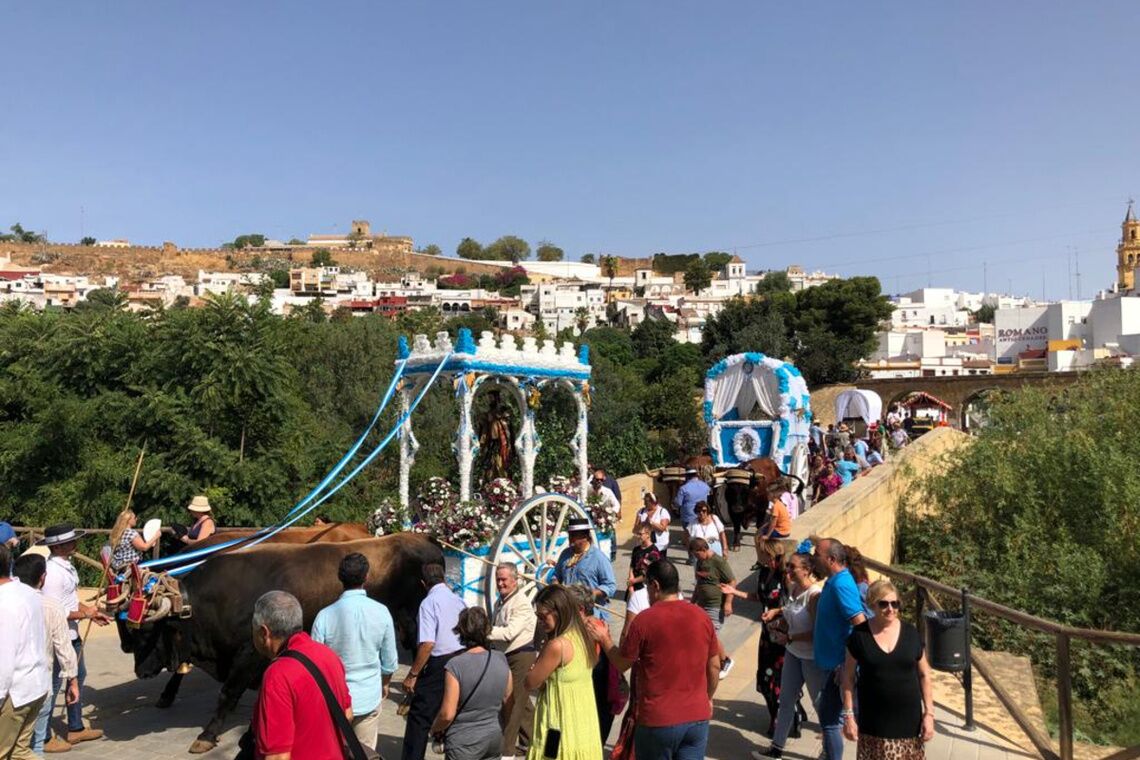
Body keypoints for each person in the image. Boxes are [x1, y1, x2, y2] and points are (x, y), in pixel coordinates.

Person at [589, 560, 720, 760]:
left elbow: (622, 663)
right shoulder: (701, 616)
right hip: (697, 718)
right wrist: (708, 698)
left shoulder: (644, 620)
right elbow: (714, 665)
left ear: (655, 586)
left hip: (658, 720)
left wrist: (604, 638)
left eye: (648, 586)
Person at [731, 551, 823, 759]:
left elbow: (817, 632)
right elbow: (790, 611)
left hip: (809, 658)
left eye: (793, 566)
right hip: (792, 654)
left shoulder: (815, 596)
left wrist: (790, 637)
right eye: (788, 565)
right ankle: (776, 750)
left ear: (807, 570)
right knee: (785, 702)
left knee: (820, 705)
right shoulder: (793, 589)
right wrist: (778, 617)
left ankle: (830, 749)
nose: (788, 569)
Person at [249, 590, 355, 760]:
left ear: (264, 632)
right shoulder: (328, 655)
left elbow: (278, 757)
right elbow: (348, 714)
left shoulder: (277, 675)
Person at [311, 552, 399, 752]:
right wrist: (385, 684)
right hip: (368, 696)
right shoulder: (382, 611)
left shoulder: (324, 616)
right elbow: (389, 659)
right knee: (365, 752)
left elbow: (315, 664)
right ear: (366, 577)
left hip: (334, 700)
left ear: (340, 577)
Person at [842, 580, 935, 760]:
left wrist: (929, 714)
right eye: (884, 604)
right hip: (873, 725)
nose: (890, 609)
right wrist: (848, 716)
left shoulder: (911, 633)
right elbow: (848, 677)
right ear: (872, 605)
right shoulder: (859, 635)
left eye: (895, 603)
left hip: (908, 724)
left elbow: (924, 675)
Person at [39, 524, 107, 748]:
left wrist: (89, 612)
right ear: (58, 546)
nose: (74, 544)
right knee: (54, 684)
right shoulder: (53, 574)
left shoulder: (66, 567)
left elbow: (69, 601)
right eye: (69, 542)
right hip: (59, 636)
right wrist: (84, 613)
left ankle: (75, 727)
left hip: (72, 633)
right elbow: (55, 610)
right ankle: (44, 736)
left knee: (78, 676)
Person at [12, 554, 79, 757]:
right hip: (40, 685)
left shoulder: (7, 601)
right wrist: (73, 680)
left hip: (11, 686)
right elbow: (64, 647)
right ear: (43, 577)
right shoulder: (51, 606)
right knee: (36, 744)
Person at [524, 585, 602, 760]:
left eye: (543, 616)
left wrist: (535, 668)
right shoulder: (583, 636)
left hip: (556, 725)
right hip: (583, 724)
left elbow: (530, 682)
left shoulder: (557, 645)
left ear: (559, 612)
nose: (540, 621)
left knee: (551, 756)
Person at [402, 563, 467, 760]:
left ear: (424, 584)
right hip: (462, 656)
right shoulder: (459, 600)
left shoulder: (428, 603)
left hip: (441, 662)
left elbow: (428, 643)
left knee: (419, 717)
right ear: (444, 578)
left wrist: (413, 674)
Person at [431, 607, 512, 760]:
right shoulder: (501, 659)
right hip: (494, 737)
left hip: (464, 742)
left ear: (461, 631)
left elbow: (447, 714)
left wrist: (434, 728)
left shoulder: (455, 665)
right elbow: (509, 700)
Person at [813, 538, 868, 760]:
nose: (814, 558)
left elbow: (860, 624)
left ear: (831, 559)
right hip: (832, 663)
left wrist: (847, 665)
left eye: (817, 554)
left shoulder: (842, 584)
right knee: (829, 717)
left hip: (838, 666)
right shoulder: (833, 581)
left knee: (828, 720)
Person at [0, 542, 51, 760]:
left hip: (15, 693)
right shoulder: (28, 592)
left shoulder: (3, 602)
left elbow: (4, 656)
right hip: (36, 685)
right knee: (20, 752)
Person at [487, 563, 537, 760]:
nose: (500, 583)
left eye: (504, 580)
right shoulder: (501, 601)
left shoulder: (521, 603)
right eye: (498, 579)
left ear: (515, 581)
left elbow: (508, 633)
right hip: (505, 655)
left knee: (512, 703)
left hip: (520, 656)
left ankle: (506, 752)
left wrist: (483, 630)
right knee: (523, 703)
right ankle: (534, 741)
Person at [689, 538, 736, 679]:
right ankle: (715, 661)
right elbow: (699, 584)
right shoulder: (700, 562)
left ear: (704, 549)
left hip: (716, 606)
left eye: (697, 555)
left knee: (711, 636)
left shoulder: (719, 562)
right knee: (705, 635)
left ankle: (724, 661)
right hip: (702, 606)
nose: (696, 558)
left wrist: (728, 602)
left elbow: (732, 581)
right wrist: (692, 602)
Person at [552, 518, 616, 620]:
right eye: (570, 535)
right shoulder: (565, 554)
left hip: (592, 615)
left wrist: (588, 594)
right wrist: (555, 585)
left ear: (585, 537)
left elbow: (610, 586)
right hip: (570, 613)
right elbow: (556, 575)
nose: (571, 539)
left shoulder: (598, 558)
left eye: (574, 536)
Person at [108, 509, 159, 573]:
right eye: (134, 518)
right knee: (159, 566)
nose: (136, 519)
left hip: (119, 567)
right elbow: (144, 547)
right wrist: (156, 536)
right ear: (128, 520)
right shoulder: (130, 533)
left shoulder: (117, 533)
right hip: (132, 566)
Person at [627, 524, 661, 614]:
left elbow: (650, 573)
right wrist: (630, 586)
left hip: (645, 588)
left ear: (648, 534)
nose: (638, 536)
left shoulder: (654, 552)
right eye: (637, 534)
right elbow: (632, 565)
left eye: (640, 534)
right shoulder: (636, 549)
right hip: (633, 587)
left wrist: (633, 581)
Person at [672, 467, 710, 546]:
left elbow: (678, 503)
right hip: (702, 515)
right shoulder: (705, 486)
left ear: (687, 476)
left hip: (688, 516)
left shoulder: (683, 488)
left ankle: (693, 555)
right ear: (696, 475)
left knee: (690, 537)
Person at [633, 492, 670, 559]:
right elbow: (635, 529)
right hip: (644, 544)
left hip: (659, 545)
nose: (644, 503)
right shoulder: (641, 511)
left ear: (653, 502)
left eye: (646, 502)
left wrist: (651, 522)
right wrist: (644, 523)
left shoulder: (662, 511)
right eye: (644, 501)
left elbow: (662, 528)